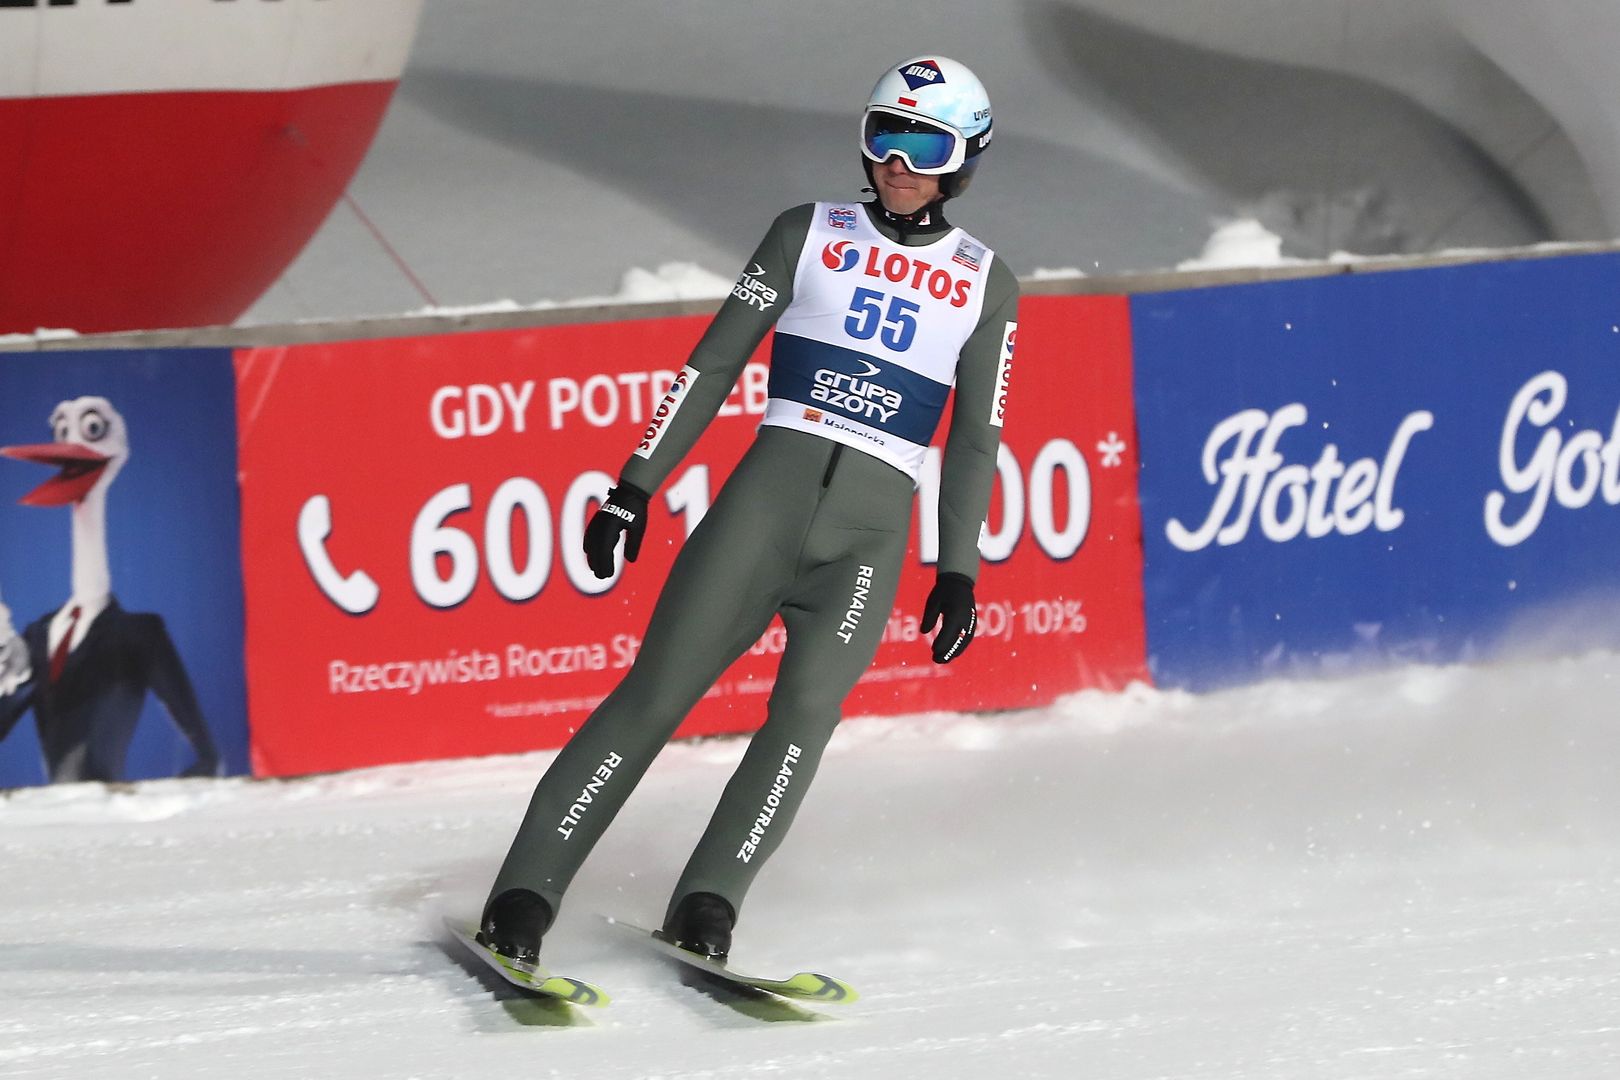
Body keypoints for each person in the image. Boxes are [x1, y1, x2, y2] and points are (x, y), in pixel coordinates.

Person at [481, 55, 1019, 963]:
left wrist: (957, 566)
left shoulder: (986, 282)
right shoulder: (806, 232)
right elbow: (712, 363)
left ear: (962, 158)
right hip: (760, 512)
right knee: (655, 696)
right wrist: (633, 486)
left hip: (867, 540)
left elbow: (974, 440)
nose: (896, 159)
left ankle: (709, 902)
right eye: (883, 134)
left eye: (922, 143)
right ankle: (524, 895)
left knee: (803, 720)